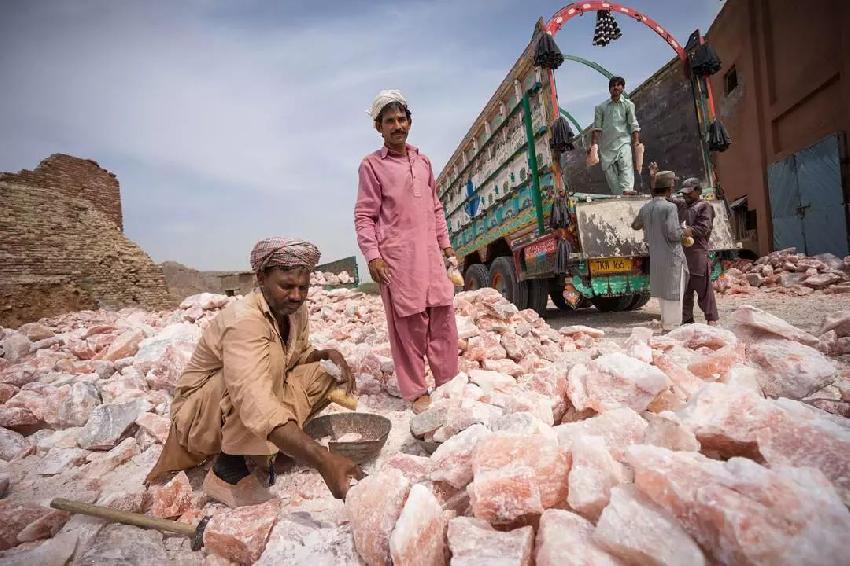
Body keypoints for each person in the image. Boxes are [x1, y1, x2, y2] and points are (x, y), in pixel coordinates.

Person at [146, 237, 364, 507]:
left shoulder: (295, 311)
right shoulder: (244, 321)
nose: (296, 296)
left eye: (303, 287)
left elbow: (295, 356)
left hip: (245, 394)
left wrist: (325, 354)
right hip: (199, 416)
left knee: (324, 372)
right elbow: (252, 396)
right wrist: (322, 459)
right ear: (261, 278)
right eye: (286, 286)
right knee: (265, 365)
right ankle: (227, 471)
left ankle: (272, 445)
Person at [354, 90, 459, 415]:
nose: (397, 126)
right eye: (389, 121)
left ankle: (449, 382)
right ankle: (416, 392)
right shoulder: (372, 166)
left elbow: (436, 208)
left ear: (409, 122)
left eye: (402, 119)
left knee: (442, 318)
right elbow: (364, 215)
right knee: (409, 326)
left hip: (430, 257)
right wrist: (373, 255)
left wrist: (446, 247)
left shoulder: (423, 162)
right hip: (397, 262)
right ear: (379, 127)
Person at [649, 164, 719, 325]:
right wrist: (654, 179)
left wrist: (685, 231)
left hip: (697, 254)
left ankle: (712, 320)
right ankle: (687, 322)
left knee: (703, 290)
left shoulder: (704, 206)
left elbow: (703, 228)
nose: (686, 196)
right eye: (684, 193)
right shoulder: (681, 205)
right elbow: (661, 197)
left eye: (689, 193)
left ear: (698, 191)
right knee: (684, 292)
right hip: (682, 255)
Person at [632, 171, 692, 331]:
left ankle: (666, 324)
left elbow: (635, 225)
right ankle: (672, 328)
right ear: (669, 189)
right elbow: (673, 234)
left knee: (663, 293)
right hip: (672, 256)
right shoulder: (670, 207)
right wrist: (685, 231)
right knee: (674, 291)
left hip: (656, 257)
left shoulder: (646, 207)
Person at [590, 76, 641, 195]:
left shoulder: (628, 105)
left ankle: (627, 190)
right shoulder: (601, 107)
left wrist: (636, 142)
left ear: (622, 88)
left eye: (618, 85)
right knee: (611, 175)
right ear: (609, 89)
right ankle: (619, 195)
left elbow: (633, 124)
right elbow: (596, 129)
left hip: (623, 141)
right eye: (613, 85)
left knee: (626, 164)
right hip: (606, 146)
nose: (616, 87)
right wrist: (593, 146)